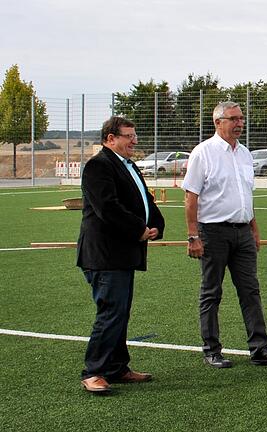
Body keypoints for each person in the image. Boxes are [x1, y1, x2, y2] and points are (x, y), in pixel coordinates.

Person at [182, 101, 267, 369]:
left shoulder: (244, 154)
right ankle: (211, 350)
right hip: (213, 232)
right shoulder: (203, 153)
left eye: (241, 118)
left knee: (250, 291)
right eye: (233, 119)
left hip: (242, 232)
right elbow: (190, 196)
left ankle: (260, 348)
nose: (239, 123)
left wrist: (254, 229)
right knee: (211, 292)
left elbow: (245, 196)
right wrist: (193, 235)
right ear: (218, 122)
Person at [77, 116, 165, 393]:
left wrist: (156, 226)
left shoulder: (128, 166)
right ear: (110, 138)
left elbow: (146, 200)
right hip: (104, 255)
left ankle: (116, 368)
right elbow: (108, 208)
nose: (134, 141)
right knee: (111, 312)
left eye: (134, 135)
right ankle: (94, 371)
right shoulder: (98, 166)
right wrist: (139, 229)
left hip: (124, 253)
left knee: (120, 312)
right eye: (128, 136)